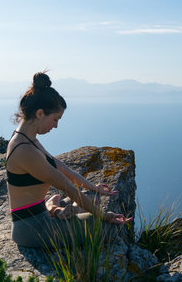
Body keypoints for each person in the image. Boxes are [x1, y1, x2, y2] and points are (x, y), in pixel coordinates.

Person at [7, 71, 132, 248]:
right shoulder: (25, 150)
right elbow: (69, 188)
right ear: (40, 113)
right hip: (34, 230)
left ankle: (53, 207)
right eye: (55, 119)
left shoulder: (27, 139)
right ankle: (53, 207)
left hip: (38, 217)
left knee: (91, 195)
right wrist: (105, 216)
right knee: (111, 229)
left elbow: (61, 167)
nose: (56, 126)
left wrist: (93, 187)